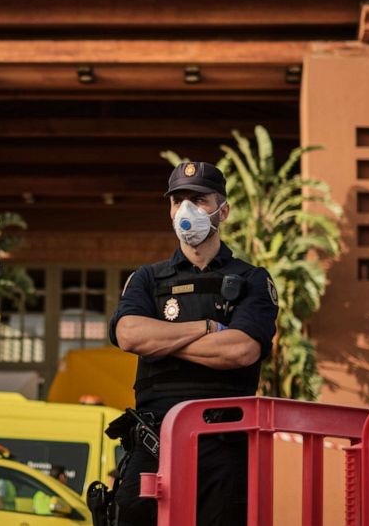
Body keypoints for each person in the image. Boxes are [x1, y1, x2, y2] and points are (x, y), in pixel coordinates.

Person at [106, 161, 278, 526]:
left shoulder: (251, 279)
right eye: (178, 200)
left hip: (224, 447)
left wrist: (161, 342)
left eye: (199, 200)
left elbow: (241, 350)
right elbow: (129, 335)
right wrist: (208, 327)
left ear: (223, 210)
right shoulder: (148, 279)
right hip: (155, 442)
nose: (186, 210)